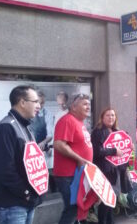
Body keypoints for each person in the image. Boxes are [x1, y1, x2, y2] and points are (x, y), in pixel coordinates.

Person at [0, 85, 41, 224]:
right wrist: (26, 193)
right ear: (22, 102)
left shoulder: (25, 127)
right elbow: (4, 170)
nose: (39, 105)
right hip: (12, 205)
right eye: (35, 101)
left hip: (26, 202)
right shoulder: (6, 127)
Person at [53, 93, 93, 224]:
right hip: (68, 175)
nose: (88, 107)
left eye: (89, 104)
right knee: (72, 208)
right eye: (85, 104)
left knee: (77, 208)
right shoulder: (67, 120)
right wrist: (79, 159)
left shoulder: (79, 122)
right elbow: (59, 144)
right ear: (73, 107)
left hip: (78, 174)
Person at [91, 107, 132, 224]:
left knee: (112, 198)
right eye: (108, 115)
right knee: (105, 199)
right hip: (104, 170)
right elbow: (97, 151)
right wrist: (114, 151)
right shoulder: (98, 132)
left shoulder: (116, 131)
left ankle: (110, 221)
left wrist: (129, 148)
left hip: (115, 170)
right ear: (102, 118)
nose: (111, 118)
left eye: (113, 115)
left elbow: (122, 149)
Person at [29, 91, 56, 192]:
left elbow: (50, 134)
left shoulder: (47, 114)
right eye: (38, 102)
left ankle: (52, 192)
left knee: (47, 172)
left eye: (42, 103)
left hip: (43, 147)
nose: (40, 105)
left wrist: (43, 143)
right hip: (30, 148)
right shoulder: (28, 113)